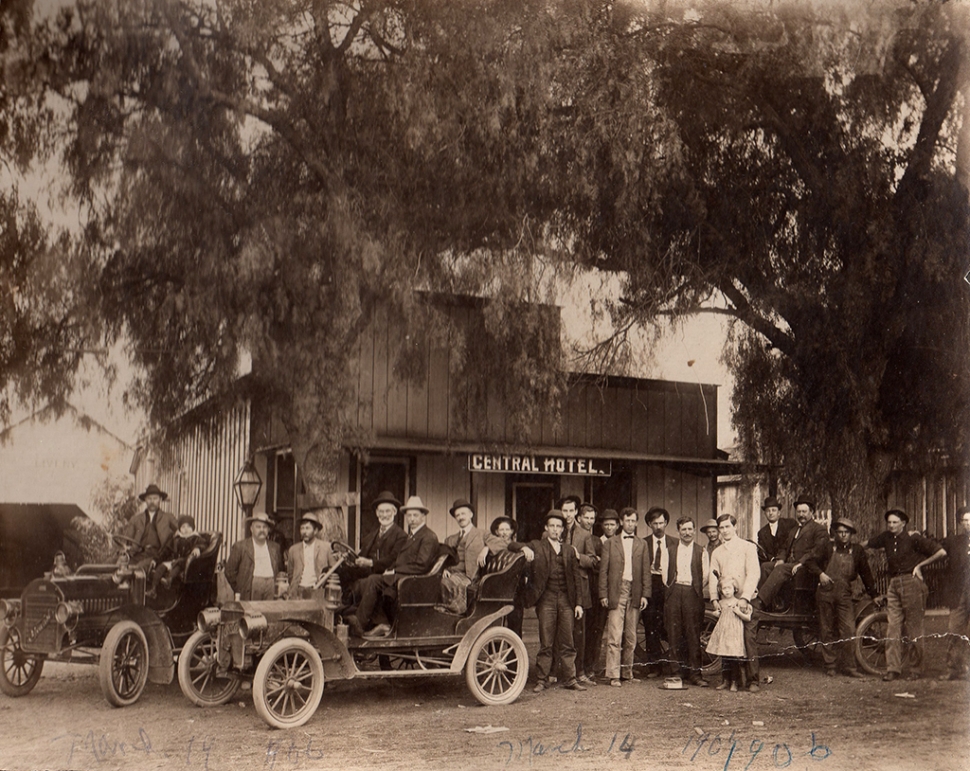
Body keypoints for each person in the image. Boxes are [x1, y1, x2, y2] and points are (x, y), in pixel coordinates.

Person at [510, 509, 587, 693]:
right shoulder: (537, 545)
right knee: (546, 642)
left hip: (567, 600)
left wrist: (578, 603)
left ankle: (570, 678)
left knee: (568, 641)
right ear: (546, 528)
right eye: (551, 526)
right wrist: (524, 548)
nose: (555, 529)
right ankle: (542, 679)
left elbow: (576, 579)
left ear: (562, 530)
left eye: (558, 526)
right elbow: (511, 545)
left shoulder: (569, 550)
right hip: (546, 599)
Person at [865, 509, 946, 681]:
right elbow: (868, 543)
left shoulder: (913, 538)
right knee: (892, 626)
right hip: (893, 584)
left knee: (913, 627)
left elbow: (940, 552)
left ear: (903, 523)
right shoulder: (886, 537)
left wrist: (920, 566)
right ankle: (893, 669)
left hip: (911, 582)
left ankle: (916, 669)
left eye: (895, 522)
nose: (892, 525)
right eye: (889, 522)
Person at [346, 495, 439, 638]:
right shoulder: (412, 536)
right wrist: (391, 569)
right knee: (365, 582)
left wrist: (394, 571)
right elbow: (401, 560)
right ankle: (380, 623)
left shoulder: (428, 536)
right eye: (409, 516)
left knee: (373, 581)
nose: (412, 519)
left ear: (423, 517)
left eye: (415, 515)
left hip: (414, 582)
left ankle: (359, 625)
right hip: (404, 577)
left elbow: (421, 566)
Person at [817, 517, 877, 678]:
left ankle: (850, 666)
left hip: (844, 594)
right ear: (835, 533)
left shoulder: (857, 551)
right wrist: (820, 574)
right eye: (840, 532)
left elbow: (866, 574)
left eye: (846, 532)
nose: (843, 535)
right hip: (825, 593)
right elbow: (810, 562)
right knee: (827, 628)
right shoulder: (827, 547)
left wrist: (874, 595)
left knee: (849, 629)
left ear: (851, 534)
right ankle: (830, 665)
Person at [708, 514, 762, 692]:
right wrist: (715, 599)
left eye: (727, 527)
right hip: (727, 602)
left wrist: (745, 597)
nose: (724, 531)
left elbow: (754, 572)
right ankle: (727, 679)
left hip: (745, 601)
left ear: (734, 527)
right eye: (721, 528)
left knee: (748, 639)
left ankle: (753, 680)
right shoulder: (717, 552)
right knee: (726, 640)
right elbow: (713, 576)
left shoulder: (747, 547)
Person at [599, 507, 650, 687]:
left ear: (637, 523)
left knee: (631, 635)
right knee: (614, 634)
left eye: (633, 521)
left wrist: (645, 594)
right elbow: (603, 571)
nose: (630, 524)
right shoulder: (610, 543)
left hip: (634, 591)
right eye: (627, 521)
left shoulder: (642, 544)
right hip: (616, 590)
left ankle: (627, 672)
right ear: (621, 522)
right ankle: (613, 674)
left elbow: (646, 572)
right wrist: (603, 594)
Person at [754, 497, 831, 612]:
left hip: (807, 567)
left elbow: (816, 552)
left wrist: (801, 562)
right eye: (799, 512)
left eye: (804, 512)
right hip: (791, 564)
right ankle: (767, 605)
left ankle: (760, 602)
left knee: (781, 569)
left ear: (812, 512)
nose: (801, 515)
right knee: (765, 567)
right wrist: (780, 558)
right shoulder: (794, 529)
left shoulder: (819, 530)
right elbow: (785, 547)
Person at [664, 516, 710, 686]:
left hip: (692, 593)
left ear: (694, 530)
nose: (687, 532)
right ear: (678, 531)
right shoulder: (669, 550)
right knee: (674, 634)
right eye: (683, 529)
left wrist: (694, 587)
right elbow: (665, 575)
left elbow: (705, 576)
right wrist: (674, 588)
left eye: (690, 529)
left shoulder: (701, 551)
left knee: (693, 634)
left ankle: (695, 674)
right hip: (675, 591)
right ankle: (676, 673)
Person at [342, 492, 408, 607]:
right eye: (381, 511)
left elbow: (393, 559)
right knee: (338, 571)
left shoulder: (401, 535)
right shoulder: (372, 535)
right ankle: (340, 608)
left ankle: (351, 610)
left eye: (388, 511)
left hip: (384, 576)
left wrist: (371, 563)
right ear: (377, 513)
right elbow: (361, 556)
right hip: (367, 572)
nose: (384, 515)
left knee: (361, 582)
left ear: (395, 512)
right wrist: (349, 559)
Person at [566, 501, 600, 686]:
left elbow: (594, 561)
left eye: (570, 510)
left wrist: (579, 556)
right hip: (562, 587)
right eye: (565, 511)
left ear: (574, 514)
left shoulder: (585, 535)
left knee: (580, 632)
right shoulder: (555, 532)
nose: (567, 514)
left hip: (581, 587)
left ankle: (579, 672)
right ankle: (559, 672)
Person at [643, 506, 678, 677]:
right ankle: (654, 667)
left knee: (670, 624)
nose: (658, 526)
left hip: (668, 585)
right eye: (655, 523)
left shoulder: (675, 543)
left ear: (666, 523)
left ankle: (674, 665)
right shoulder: (643, 543)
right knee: (650, 625)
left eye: (661, 523)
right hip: (650, 584)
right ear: (650, 524)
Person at [585, 508, 619, 678]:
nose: (609, 528)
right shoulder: (597, 542)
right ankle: (592, 666)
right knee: (596, 629)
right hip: (600, 591)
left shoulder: (621, 543)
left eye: (612, 524)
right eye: (606, 525)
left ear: (617, 525)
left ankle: (619, 667)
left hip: (618, 591)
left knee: (618, 631)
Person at [477, 516, 524, 636]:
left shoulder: (517, 547)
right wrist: (486, 548)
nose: (504, 533)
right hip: (497, 589)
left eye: (507, 530)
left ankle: (515, 653)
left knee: (515, 623)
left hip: (515, 590)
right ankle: (496, 653)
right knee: (496, 625)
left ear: (512, 531)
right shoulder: (491, 549)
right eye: (501, 530)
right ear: (496, 532)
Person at [438, 498, 486, 614]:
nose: (460, 517)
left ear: (471, 514)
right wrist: (444, 568)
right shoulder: (450, 539)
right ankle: (443, 612)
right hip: (452, 573)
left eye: (463, 513)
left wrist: (486, 548)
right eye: (457, 515)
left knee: (446, 582)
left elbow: (502, 543)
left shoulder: (482, 534)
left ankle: (455, 611)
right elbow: (443, 557)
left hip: (468, 575)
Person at [224, 511, 283, 601]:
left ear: (268, 530)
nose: (262, 530)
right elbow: (229, 571)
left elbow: (280, 568)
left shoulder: (275, 547)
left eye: (265, 527)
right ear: (251, 529)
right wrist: (240, 588)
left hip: (271, 586)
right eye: (258, 527)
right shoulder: (241, 546)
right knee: (252, 613)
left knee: (269, 613)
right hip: (251, 586)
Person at [707, 576, 752, 692]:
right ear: (720, 590)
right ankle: (725, 681)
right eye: (724, 588)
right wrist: (715, 613)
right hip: (724, 633)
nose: (726, 591)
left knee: (733, 658)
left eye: (729, 588)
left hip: (734, 634)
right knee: (724, 658)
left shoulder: (738, 603)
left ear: (734, 589)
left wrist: (738, 612)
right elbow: (719, 614)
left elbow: (748, 618)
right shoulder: (721, 603)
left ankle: (734, 682)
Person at [940, 505, 970, 681]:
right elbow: (935, 549)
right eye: (965, 521)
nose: (968, 524)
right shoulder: (953, 541)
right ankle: (953, 669)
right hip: (959, 592)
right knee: (954, 630)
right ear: (960, 523)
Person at [121, 483, 178, 571]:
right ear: (145, 500)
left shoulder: (168, 517)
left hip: (158, 555)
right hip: (139, 553)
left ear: (160, 499)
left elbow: (181, 532)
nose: (152, 501)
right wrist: (126, 548)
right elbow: (127, 540)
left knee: (137, 569)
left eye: (155, 498)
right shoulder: (136, 519)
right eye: (149, 498)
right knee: (119, 565)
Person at [149, 514, 209, 596]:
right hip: (174, 561)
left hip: (186, 563)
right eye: (183, 527)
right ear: (179, 528)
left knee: (178, 565)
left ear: (193, 527)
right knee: (162, 566)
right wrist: (156, 559)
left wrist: (197, 548)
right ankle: (153, 589)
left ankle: (169, 580)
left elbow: (203, 544)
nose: (186, 529)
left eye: (188, 526)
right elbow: (166, 550)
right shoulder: (176, 538)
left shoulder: (196, 538)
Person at [286, 511, 335, 600]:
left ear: (315, 531)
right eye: (302, 528)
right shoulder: (293, 550)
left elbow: (333, 570)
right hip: (298, 592)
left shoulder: (326, 547)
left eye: (307, 528)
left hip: (318, 591)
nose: (304, 532)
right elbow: (290, 573)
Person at [757, 496, 798, 582]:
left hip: (789, 561)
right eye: (768, 511)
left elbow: (791, 543)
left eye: (773, 510)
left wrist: (781, 559)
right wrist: (773, 560)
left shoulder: (789, 524)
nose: (770, 513)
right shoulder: (762, 532)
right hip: (773, 563)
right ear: (764, 514)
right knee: (764, 566)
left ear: (779, 512)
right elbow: (763, 552)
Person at [700, 519, 720, 599]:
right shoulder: (704, 549)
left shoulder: (724, 546)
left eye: (714, 531)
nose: (711, 534)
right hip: (708, 580)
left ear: (718, 531)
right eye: (709, 532)